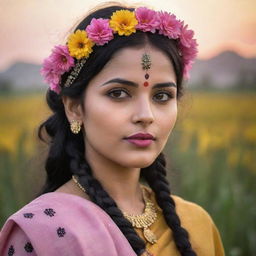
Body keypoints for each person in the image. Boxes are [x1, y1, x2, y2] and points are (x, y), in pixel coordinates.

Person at [0, 2, 225, 256]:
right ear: (74, 107)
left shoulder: (198, 224)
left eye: (162, 96)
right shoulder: (44, 233)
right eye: (118, 93)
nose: (146, 116)